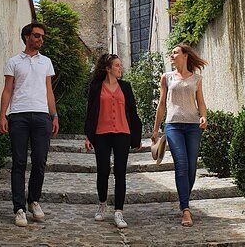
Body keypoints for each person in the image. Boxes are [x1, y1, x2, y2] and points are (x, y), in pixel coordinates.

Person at [0, 22, 59, 227]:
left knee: (40, 161)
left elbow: (49, 90)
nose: (40, 40)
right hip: (18, 116)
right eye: (36, 36)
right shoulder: (13, 62)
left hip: (42, 117)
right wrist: (2, 116)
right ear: (26, 37)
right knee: (19, 163)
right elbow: (7, 90)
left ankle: (34, 200)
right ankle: (19, 208)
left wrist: (54, 115)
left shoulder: (46, 62)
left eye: (42, 37)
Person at [151, 43, 208, 227]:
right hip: (173, 126)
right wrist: (155, 129)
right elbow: (161, 104)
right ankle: (186, 209)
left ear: (185, 56)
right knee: (181, 165)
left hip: (193, 127)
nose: (172, 55)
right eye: (172, 53)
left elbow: (201, 103)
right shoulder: (166, 78)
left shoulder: (197, 79)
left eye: (175, 52)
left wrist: (204, 117)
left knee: (191, 168)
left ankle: (184, 199)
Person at [84, 54, 142, 229]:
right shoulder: (96, 87)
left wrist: (136, 137)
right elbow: (90, 112)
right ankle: (102, 204)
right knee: (102, 171)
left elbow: (133, 112)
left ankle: (119, 211)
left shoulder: (125, 87)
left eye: (120, 65)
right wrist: (88, 135)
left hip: (122, 133)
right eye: (116, 66)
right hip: (101, 133)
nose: (120, 68)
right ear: (108, 68)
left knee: (120, 172)